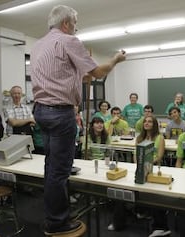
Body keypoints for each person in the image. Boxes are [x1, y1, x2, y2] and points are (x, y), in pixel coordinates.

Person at [30, 5, 126, 235]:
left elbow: (72, 75)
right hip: (60, 112)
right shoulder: (69, 40)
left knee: (51, 166)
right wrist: (114, 60)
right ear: (65, 24)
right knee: (60, 171)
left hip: (40, 111)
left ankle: (52, 215)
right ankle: (58, 222)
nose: (76, 27)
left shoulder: (37, 45)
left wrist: (84, 72)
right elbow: (98, 73)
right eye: (75, 23)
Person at [135, 116, 167, 237]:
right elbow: (135, 154)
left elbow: (159, 157)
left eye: (150, 122)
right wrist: (139, 165)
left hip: (154, 170)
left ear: (154, 125)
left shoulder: (160, 138)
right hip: (141, 170)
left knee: (155, 195)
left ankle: (160, 226)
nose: (147, 123)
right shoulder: (139, 138)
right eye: (145, 121)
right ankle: (142, 211)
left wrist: (146, 163)